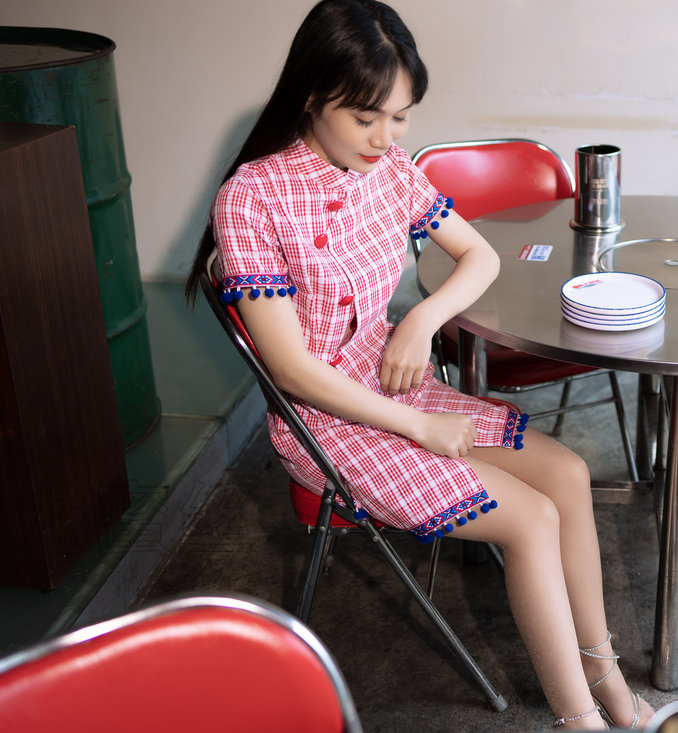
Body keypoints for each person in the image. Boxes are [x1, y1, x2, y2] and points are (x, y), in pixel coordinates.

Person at [184, 1, 654, 729]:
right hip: (327, 421)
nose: (386, 137)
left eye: (400, 117)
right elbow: (293, 373)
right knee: (532, 518)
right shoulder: (251, 197)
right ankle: (579, 719)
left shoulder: (392, 170)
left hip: (394, 379)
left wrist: (420, 320)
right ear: (311, 97)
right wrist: (418, 426)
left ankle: (605, 675)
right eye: (365, 117)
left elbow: (481, 255)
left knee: (567, 473)